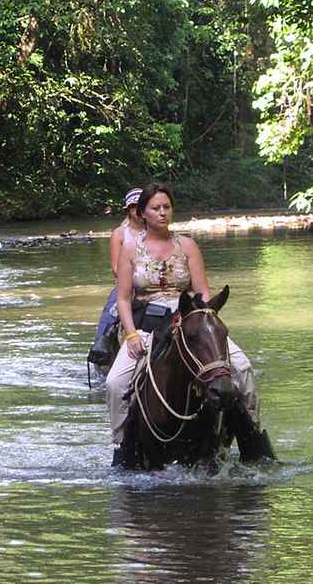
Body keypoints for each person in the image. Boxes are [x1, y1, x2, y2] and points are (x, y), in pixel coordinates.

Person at [106, 182, 261, 465]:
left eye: (167, 207)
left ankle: (254, 439)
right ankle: (123, 447)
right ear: (142, 213)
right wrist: (130, 336)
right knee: (115, 383)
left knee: (242, 367)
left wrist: (204, 323)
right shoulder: (129, 249)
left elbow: (201, 292)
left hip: (189, 320)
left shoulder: (187, 245)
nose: (162, 213)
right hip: (147, 325)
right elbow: (124, 300)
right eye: (156, 208)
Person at [87, 188, 144, 365]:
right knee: (110, 314)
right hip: (127, 285)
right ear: (128, 209)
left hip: (155, 284)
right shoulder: (120, 234)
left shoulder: (157, 232)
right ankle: (100, 349)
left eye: (141, 206)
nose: (138, 210)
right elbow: (116, 268)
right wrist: (137, 280)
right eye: (134, 206)